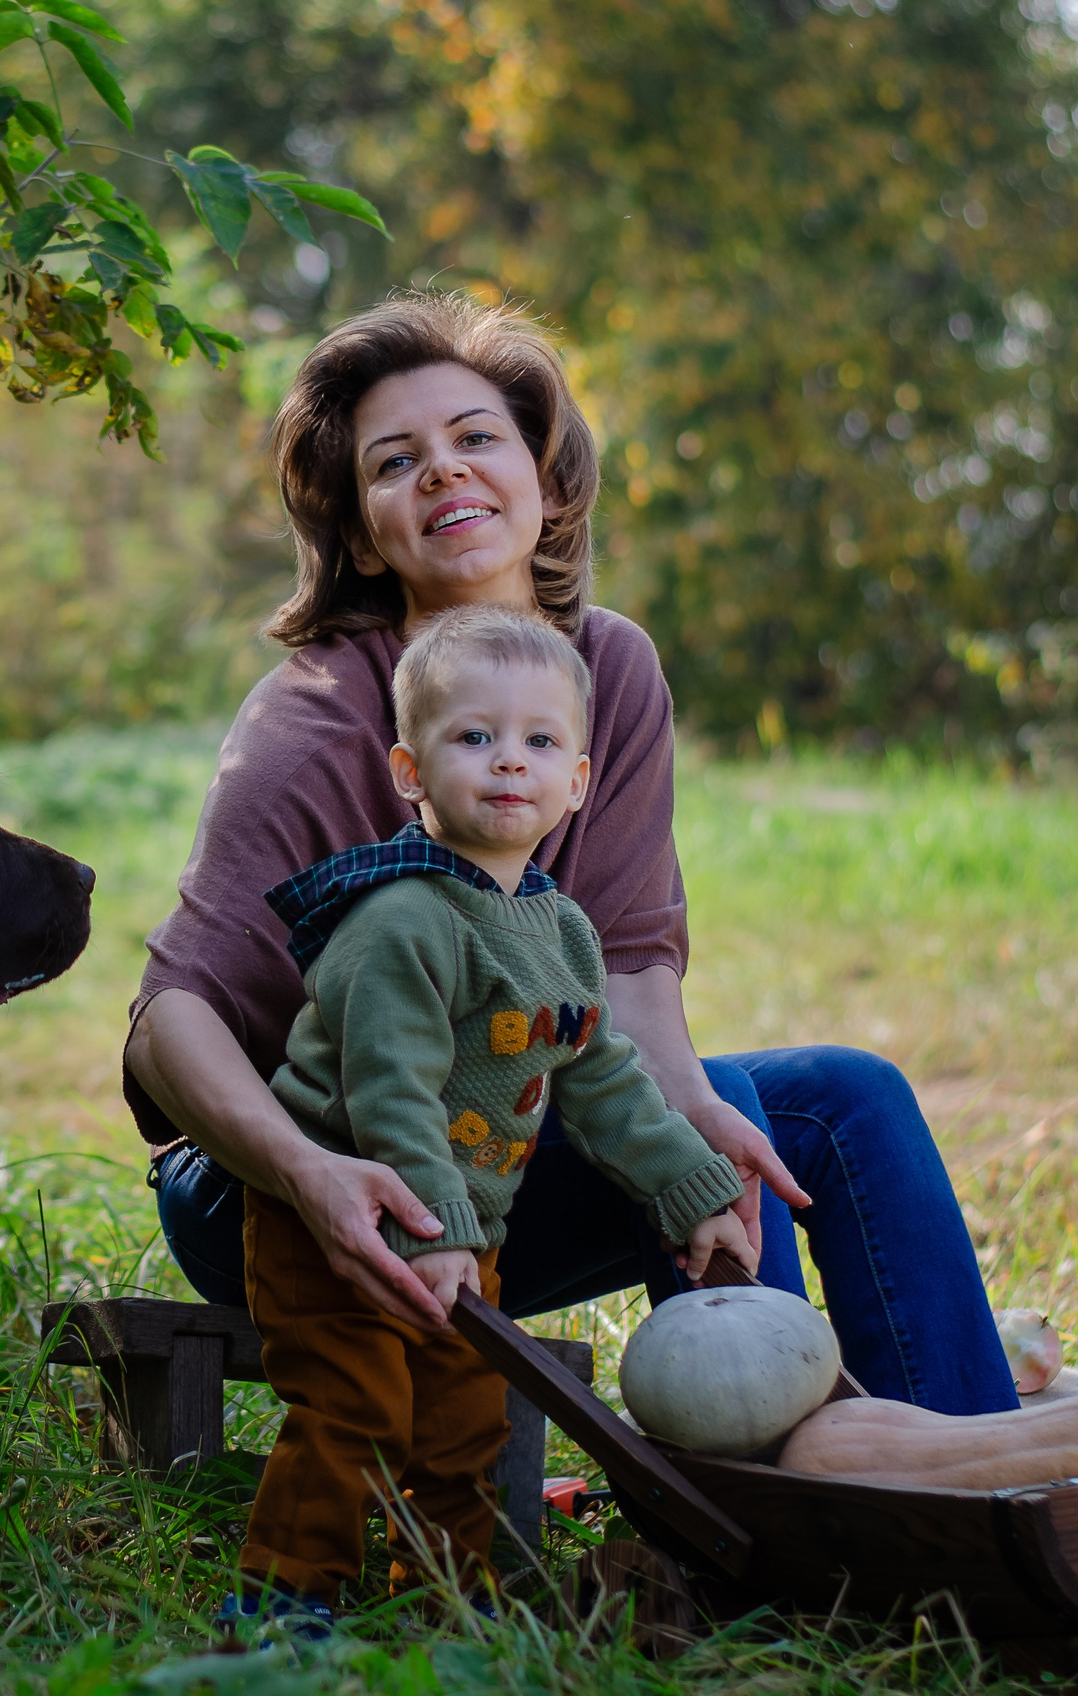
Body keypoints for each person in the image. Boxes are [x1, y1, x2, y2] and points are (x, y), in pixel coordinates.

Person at [123, 290, 1018, 1418]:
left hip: (486, 1141)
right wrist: (306, 1172)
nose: (443, 470)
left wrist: (692, 1113)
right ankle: (780, 1470)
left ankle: (966, 1455)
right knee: (719, 1104)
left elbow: (628, 970)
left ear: (546, 480)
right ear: (358, 533)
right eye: (395, 461)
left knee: (843, 1099)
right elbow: (168, 1022)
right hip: (283, 1181)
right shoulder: (317, 719)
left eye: (476, 437)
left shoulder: (609, 671)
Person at [232, 604, 755, 1625]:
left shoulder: (559, 929)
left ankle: (442, 1605)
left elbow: (604, 1077)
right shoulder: (401, 919)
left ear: (579, 781)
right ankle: (282, 1599)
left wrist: (690, 1191)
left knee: (464, 1421)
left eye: (540, 741)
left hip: (463, 1233)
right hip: (338, 1223)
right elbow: (389, 1091)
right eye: (474, 736)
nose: (509, 761)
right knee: (354, 1407)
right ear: (410, 770)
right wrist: (436, 1230)